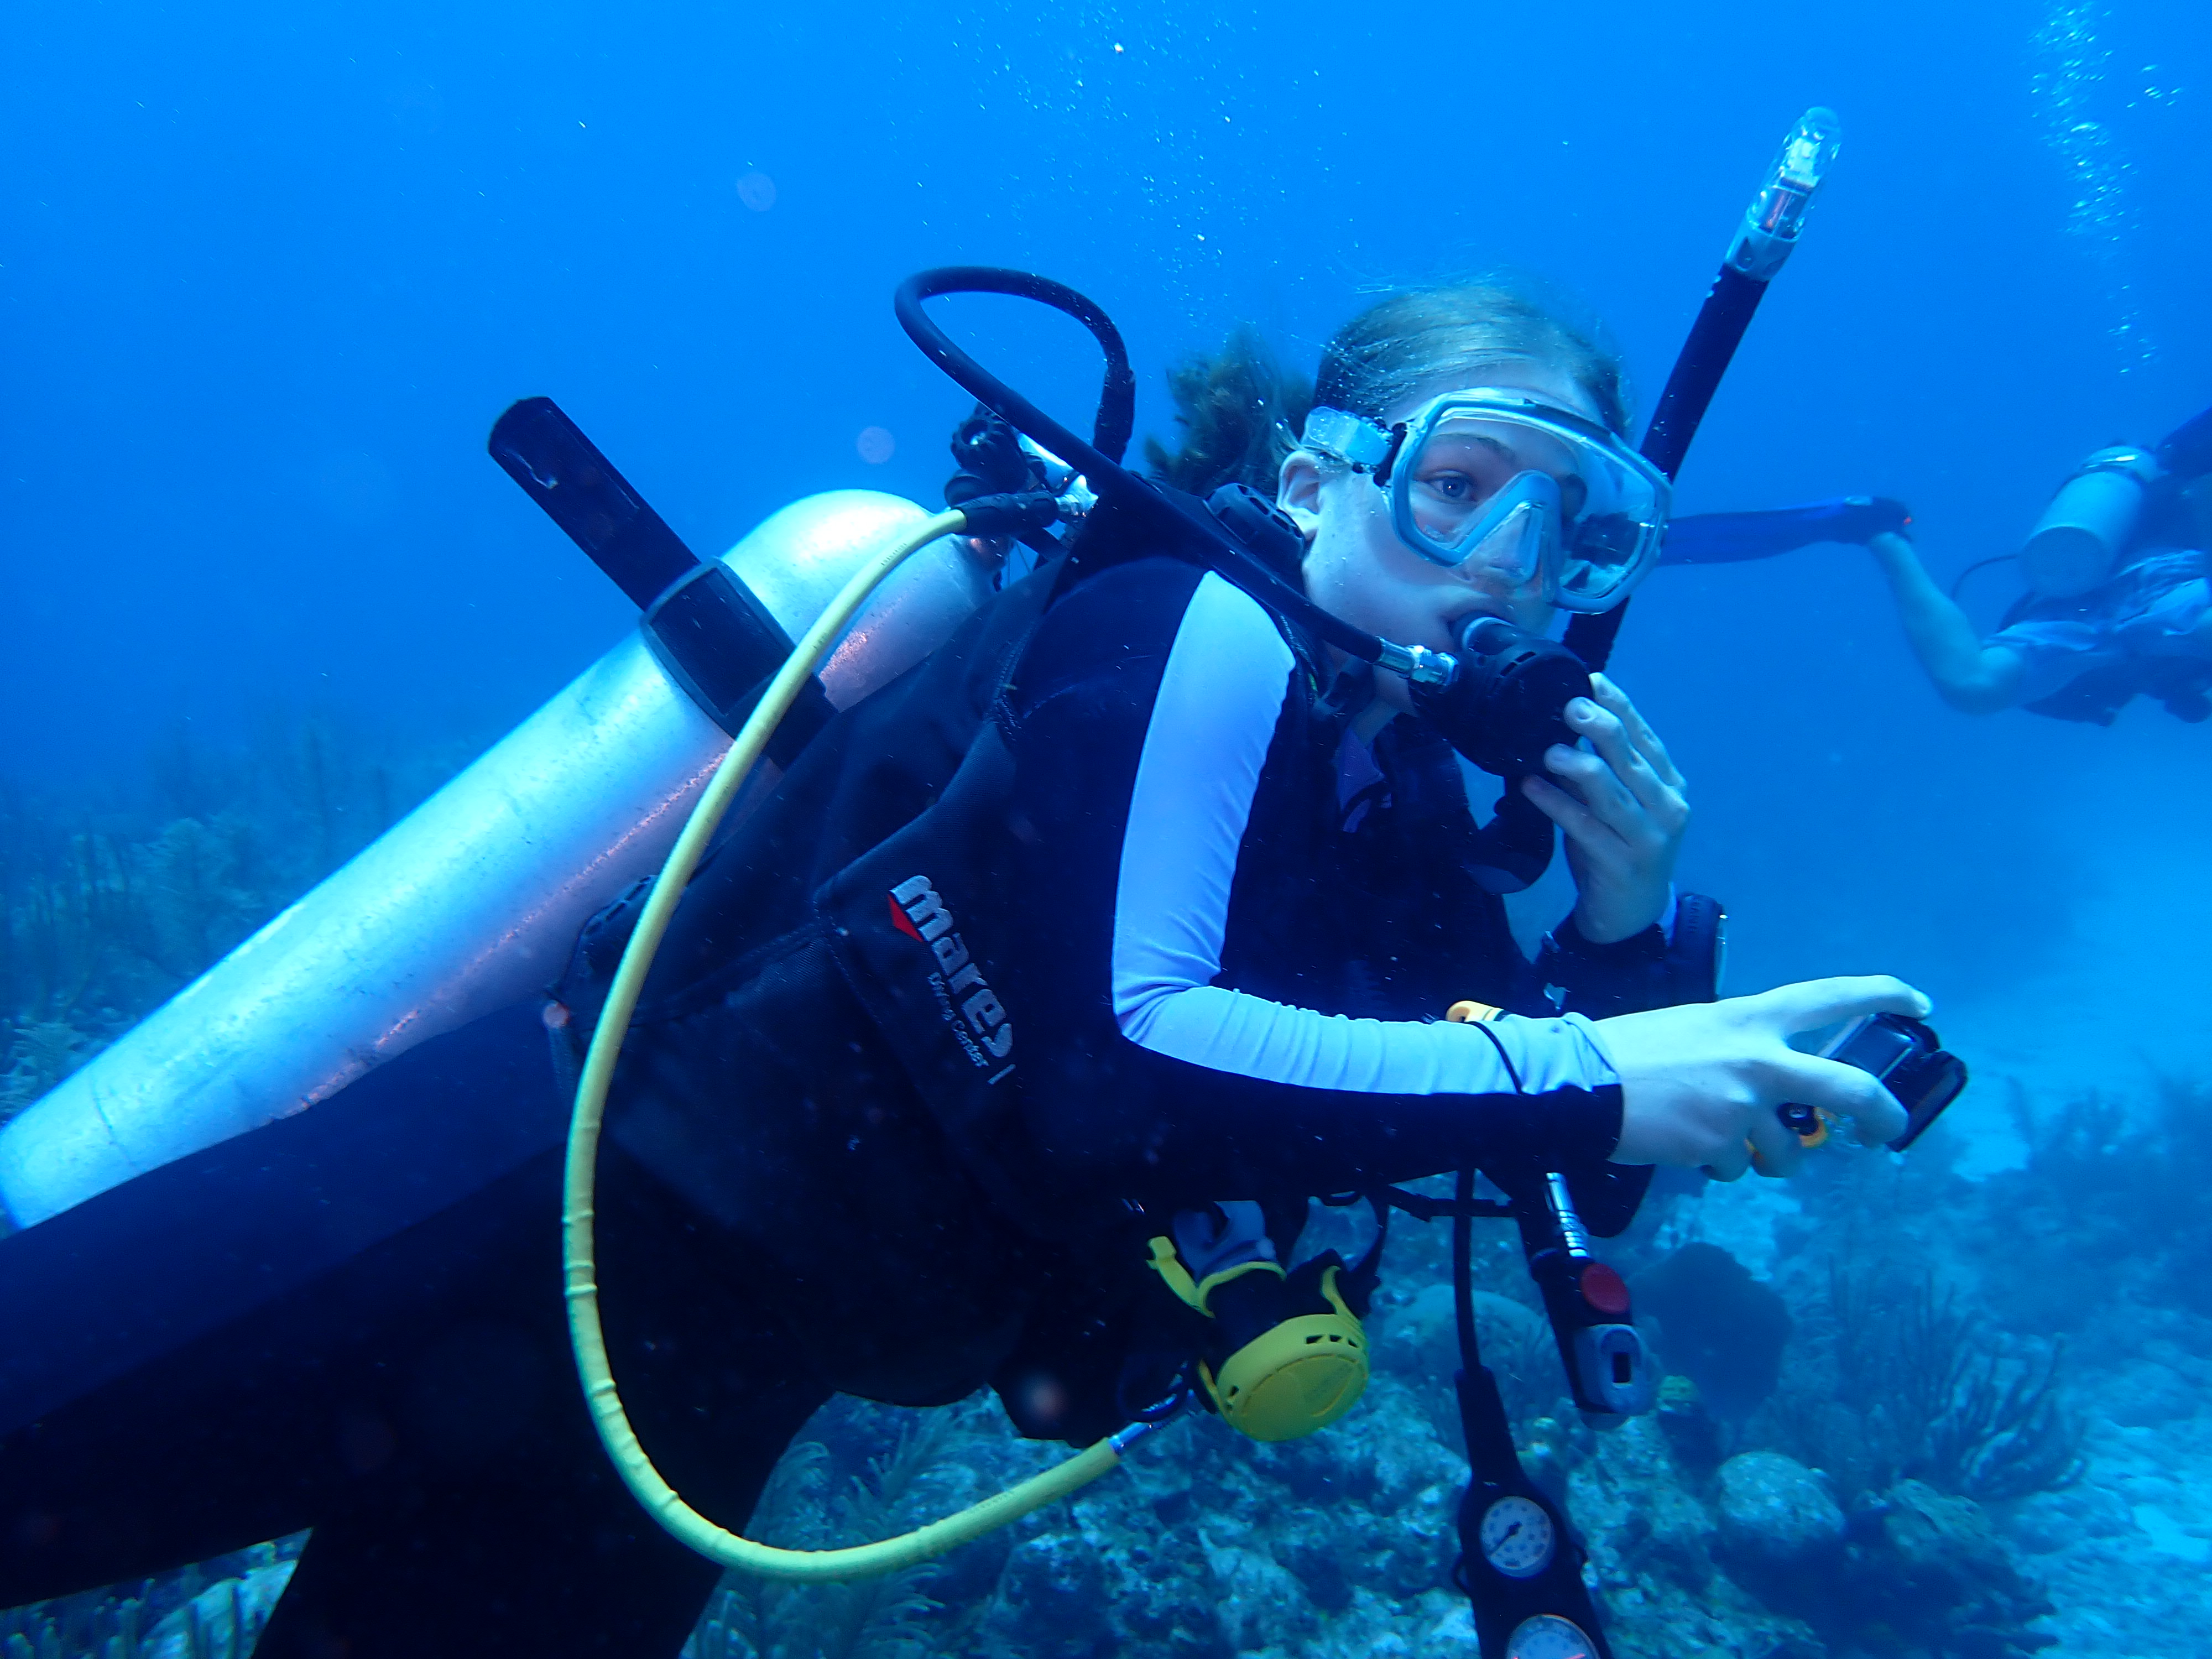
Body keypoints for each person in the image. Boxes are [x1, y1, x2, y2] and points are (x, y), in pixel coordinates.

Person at [0, 280, 1927, 1657]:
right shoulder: (1193, 618)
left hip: (702, 1378)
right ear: (1325, 467)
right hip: (513, 1207)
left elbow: (1556, 1183)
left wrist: (1620, 923)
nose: (1508, 560)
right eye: (1462, 483)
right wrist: (1601, 1061)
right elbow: (1126, 1055)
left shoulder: (1388, 798)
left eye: (1573, 525)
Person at [1653, 405, 2212, 723]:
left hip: (2110, 593)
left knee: (1972, 683)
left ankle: (1878, 533)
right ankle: (1876, 533)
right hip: (2159, 579)